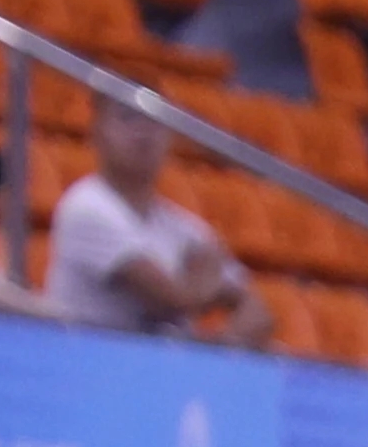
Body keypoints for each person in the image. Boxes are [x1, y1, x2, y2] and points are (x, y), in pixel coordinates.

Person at [44, 98, 272, 347]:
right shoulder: (86, 206)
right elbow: (170, 302)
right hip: (87, 357)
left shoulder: (183, 225)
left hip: (159, 364)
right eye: (127, 117)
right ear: (98, 132)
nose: (143, 131)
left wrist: (221, 349)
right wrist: (208, 284)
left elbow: (257, 312)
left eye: (155, 120)